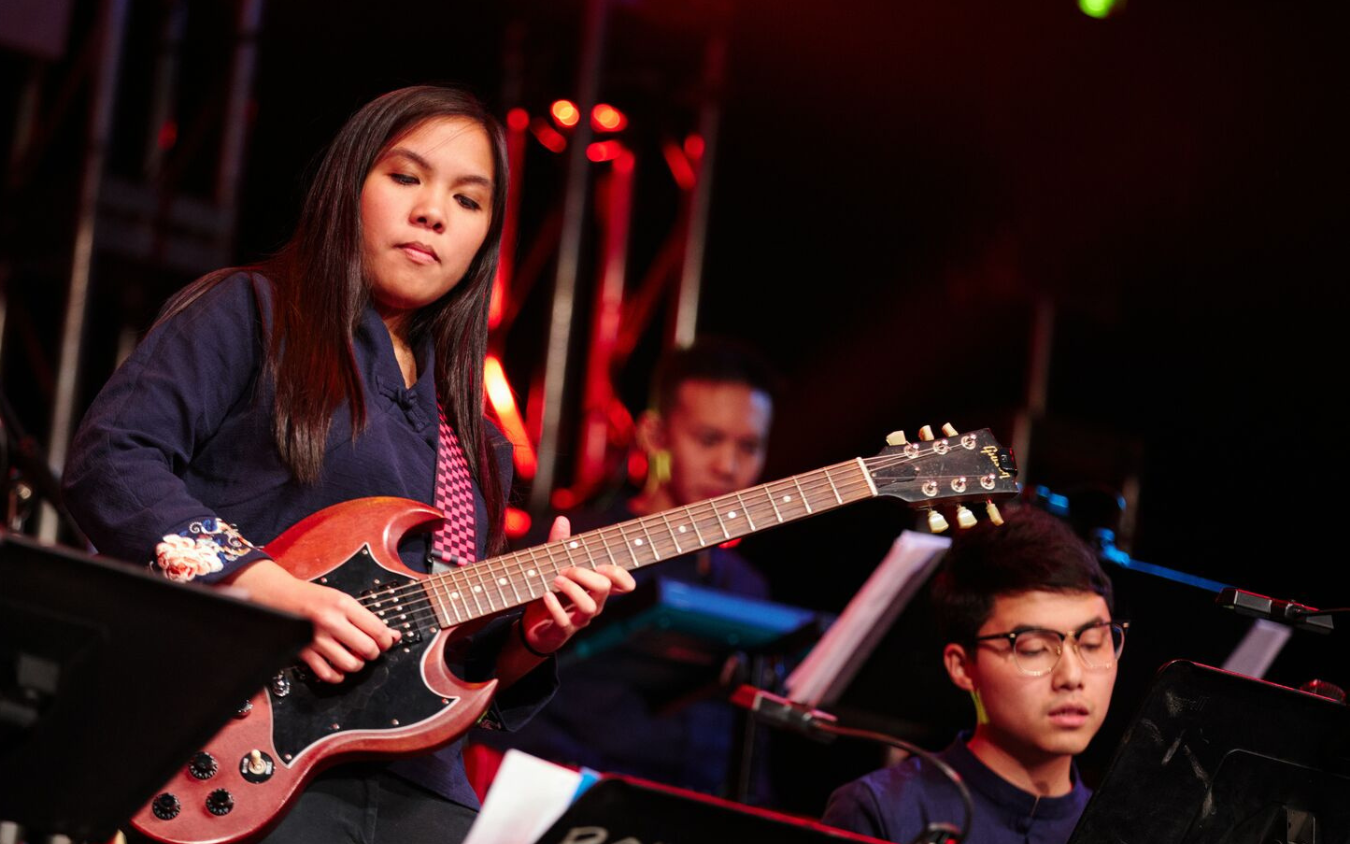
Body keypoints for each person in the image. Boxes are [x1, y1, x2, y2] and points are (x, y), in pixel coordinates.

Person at [62, 86, 634, 844]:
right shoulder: (250, 313)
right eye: (406, 178)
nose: (433, 212)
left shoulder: (482, 440)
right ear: (349, 185)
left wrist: (532, 636)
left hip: (425, 799)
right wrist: (266, 587)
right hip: (242, 762)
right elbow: (111, 460)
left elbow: (458, 674)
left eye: (469, 201)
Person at [472, 340, 776, 797]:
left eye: (749, 446)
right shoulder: (568, 541)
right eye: (709, 439)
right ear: (654, 434)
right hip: (562, 802)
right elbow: (490, 688)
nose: (728, 466)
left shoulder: (749, 587)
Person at [821, 506, 1124, 844]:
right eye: (1034, 649)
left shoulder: (1132, 830)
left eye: (1092, 643)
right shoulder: (881, 812)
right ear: (962, 667)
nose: (1072, 675)